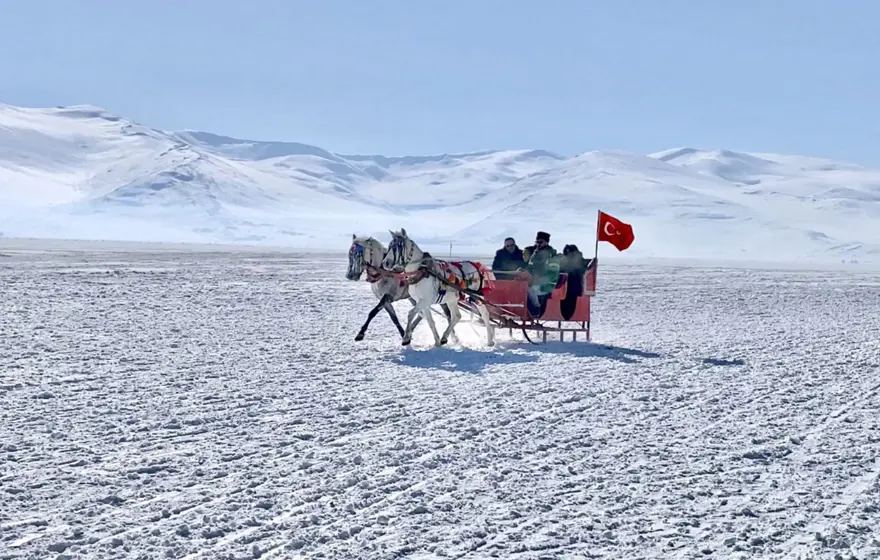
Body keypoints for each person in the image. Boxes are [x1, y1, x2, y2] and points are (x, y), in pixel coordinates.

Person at [519, 231, 558, 316]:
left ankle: (535, 311)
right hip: (534, 282)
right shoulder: (535, 254)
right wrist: (523, 272)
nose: (538, 244)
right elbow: (530, 268)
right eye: (537, 242)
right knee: (519, 289)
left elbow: (552, 275)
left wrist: (539, 282)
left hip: (547, 285)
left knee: (530, 290)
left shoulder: (551, 256)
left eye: (540, 242)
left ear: (546, 242)